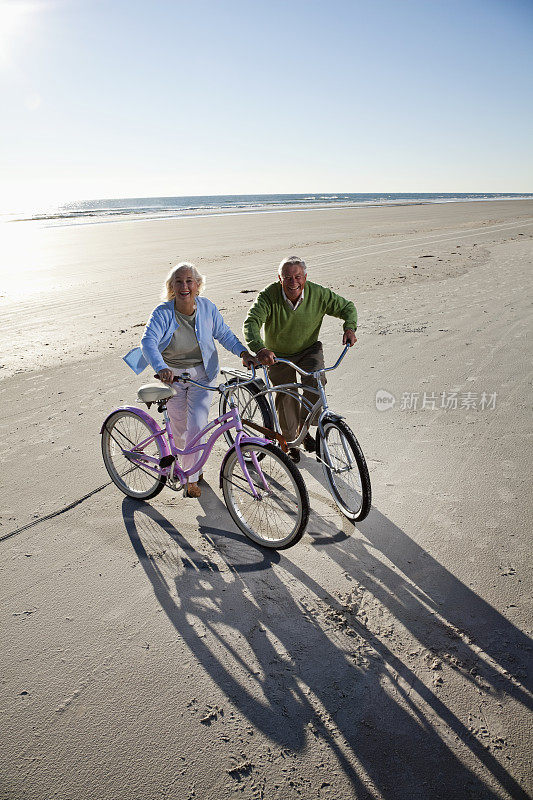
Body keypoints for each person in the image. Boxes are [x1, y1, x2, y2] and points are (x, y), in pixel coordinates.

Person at [124, 262, 256, 498]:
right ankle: (191, 470)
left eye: (189, 281)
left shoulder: (207, 308)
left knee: (197, 424)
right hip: (172, 376)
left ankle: (190, 477)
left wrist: (243, 353)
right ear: (172, 287)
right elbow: (148, 342)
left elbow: (224, 334)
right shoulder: (163, 312)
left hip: (203, 374)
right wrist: (161, 367)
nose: (184, 286)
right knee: (179, 427)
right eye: (179, 281)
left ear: (197, 285)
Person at [243, 256, 357, 462]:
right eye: (287, 277)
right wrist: (260, 349)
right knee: (286, 394)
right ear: (280, 278)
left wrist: (349, 327)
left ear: (305, 277)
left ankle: (304, 430)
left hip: (308, 349)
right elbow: (251, 322)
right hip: (277, 355)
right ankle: (289, 440)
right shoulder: (268, 296)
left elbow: (347, 307)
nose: (292, 282)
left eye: (297, 277)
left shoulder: (318, 293)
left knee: (317, 382)